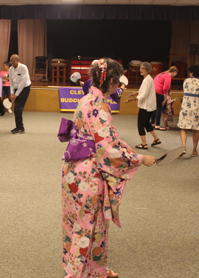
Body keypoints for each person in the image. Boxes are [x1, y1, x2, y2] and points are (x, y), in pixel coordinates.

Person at [60, 58, 156, 277]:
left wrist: (123, 145)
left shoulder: (86, 99)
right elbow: (108, 150)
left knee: (79, 222)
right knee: (87, 226)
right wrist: (139, 158)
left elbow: (99, 137)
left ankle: (95, 269)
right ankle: (76, 274)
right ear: (112, 81)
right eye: (118, 82)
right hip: (89, 173)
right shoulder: (100, 106)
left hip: (73, 169)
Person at [124, 62, 161, 149]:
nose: (141, 70)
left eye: (143, 68)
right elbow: (146, 92)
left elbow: (144, 95)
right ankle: (156, 139)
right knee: (146, 123)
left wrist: (132, 99)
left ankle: (144, 144)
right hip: (149, 106)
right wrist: (138, 92)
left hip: (146, 106)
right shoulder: (148, 79)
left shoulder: (147, 80)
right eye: (140, 68)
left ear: (148, 70)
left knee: (140, 124)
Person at [177, 65, 199, 157]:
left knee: (183, 128)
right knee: (196, 129)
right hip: (197, 107)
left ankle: (183, 147)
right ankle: (194, 150)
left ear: (192, 73)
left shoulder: (186, 81)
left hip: (186, 105)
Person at [9, 54, 31, 134]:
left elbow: (23, 82)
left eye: (13, 61)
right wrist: (12, 93)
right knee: (16, 109)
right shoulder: (11, 69)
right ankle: (18, 127)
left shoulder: (23, 68)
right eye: (11, 61)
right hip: (15, 89)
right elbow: (11, 82)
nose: (12, 63)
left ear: (17, 61)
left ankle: (21, 128)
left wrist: (16, 95)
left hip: (24, 88)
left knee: (18, 108)